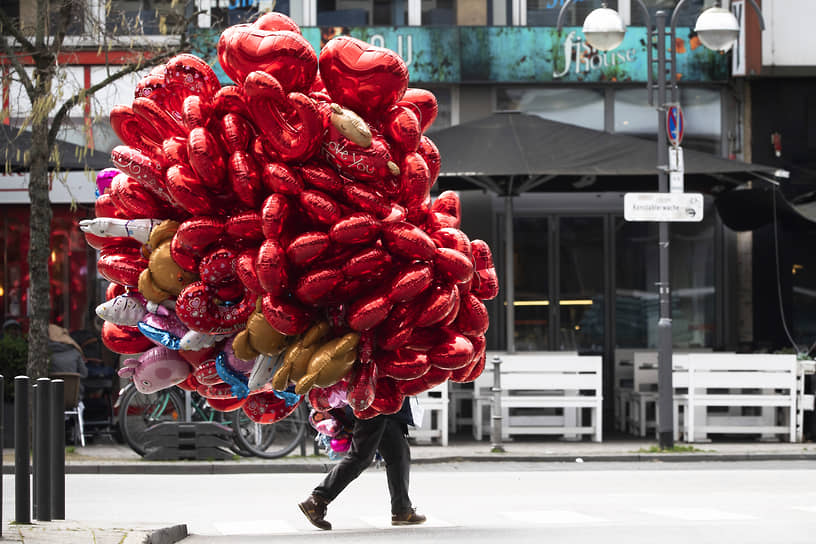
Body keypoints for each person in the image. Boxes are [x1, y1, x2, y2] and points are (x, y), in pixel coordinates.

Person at [298, 397, 426, 530]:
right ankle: (317, 500)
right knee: (360, 456)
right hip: (375, 399)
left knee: (398, 454)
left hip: (385, 402)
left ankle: (402, 509)